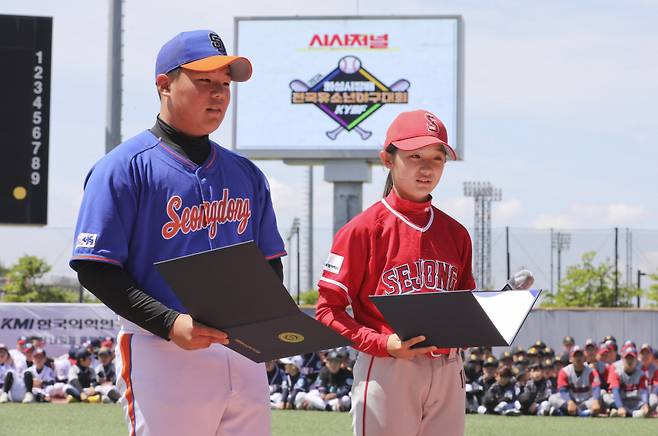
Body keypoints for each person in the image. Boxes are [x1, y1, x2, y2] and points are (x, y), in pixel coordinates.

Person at [69, 30, 285, 436]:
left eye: (225, 84)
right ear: (164, 84)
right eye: (205, 81)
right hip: (162, 347)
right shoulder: (123, 167)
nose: (219, 93)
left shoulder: (247, 174)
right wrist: (168, 323)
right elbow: (95, 269)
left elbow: (269, 263)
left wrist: (264, 324)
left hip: (242, 350)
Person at [316, 110, 475, 436]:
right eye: (414, 155)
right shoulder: (361, 230)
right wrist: (381, 343)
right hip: (389, 365)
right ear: (387, 159)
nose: (427, 167)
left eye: (437, 157)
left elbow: (465, 305)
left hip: (448, 368)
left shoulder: (456, 233)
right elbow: (327, 310)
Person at [549, 346, 602, 416]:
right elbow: (562, 391)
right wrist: (569, 402)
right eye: (575, 356)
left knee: (602, 393)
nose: (578, 358)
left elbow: (596, 388)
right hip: (571, 400)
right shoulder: (565, 371)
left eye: (580, 356)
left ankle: (568, 412)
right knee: (552, 398)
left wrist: (595, 400)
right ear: (571, 359)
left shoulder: (591, 371)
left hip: (586, 401)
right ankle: (583, 413)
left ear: (584, 358)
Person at [604, 347, 651, 418]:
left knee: (652, 399)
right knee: (605, 396)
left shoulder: (641, 374)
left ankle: (619, 412)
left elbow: (643, 391)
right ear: (622, 360)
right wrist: (620, 407)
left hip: (636, 403)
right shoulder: (617, 373)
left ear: (636, 360)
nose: (629, 361)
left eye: (632, 358)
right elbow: (615, 391)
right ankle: (621, 411)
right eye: (627, 358)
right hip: (622, 401)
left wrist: (645, 404)